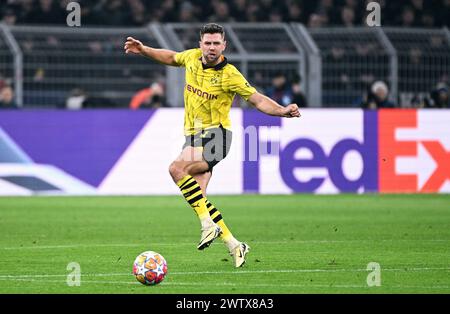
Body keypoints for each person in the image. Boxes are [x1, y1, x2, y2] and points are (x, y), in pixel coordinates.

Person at [124, 23, 300, 268]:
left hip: (217, 135)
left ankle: (208, 226)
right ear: (200, 44)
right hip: (194, 136)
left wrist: (282, 110)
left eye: (216, 43)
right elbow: (171, 57)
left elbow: (257, 99)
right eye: (207, 42)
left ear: (224, 46)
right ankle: (234, 244)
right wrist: (144, 50)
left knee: (176, 169)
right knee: (200, 200)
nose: (211, 47)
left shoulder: (230, 74)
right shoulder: (192, 58)